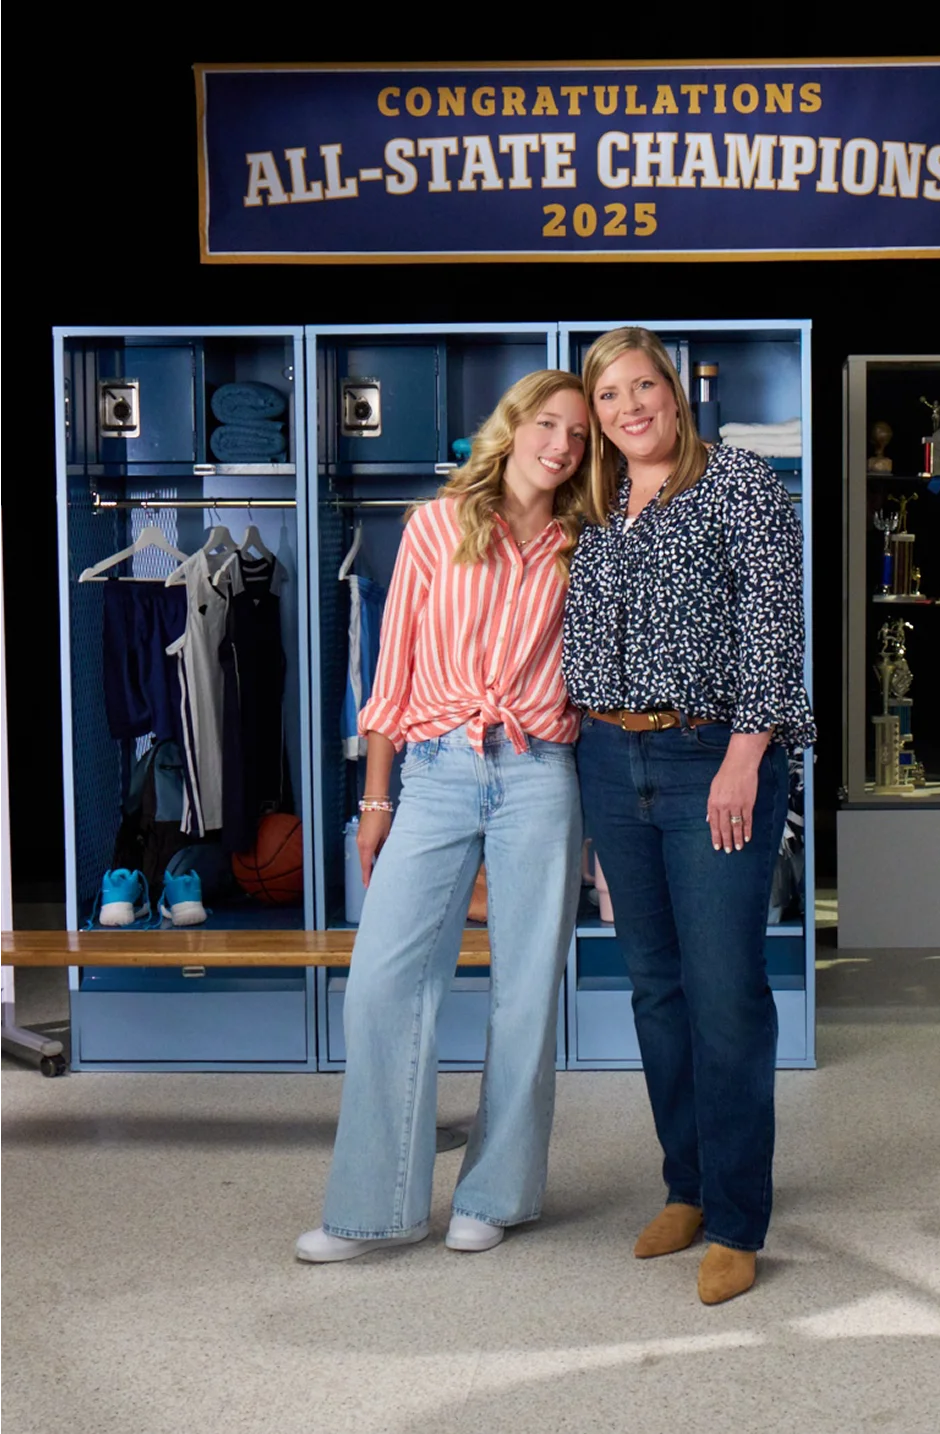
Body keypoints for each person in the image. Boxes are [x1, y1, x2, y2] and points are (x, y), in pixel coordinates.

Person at [297, 370, 589, 1263]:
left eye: (580, 435)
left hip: (540, 772)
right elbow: (392, 676)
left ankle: (495, 1194)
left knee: (526, 993)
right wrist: (375, 798)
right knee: (385, 981)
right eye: (549, 424)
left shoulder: (589, 541)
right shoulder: (436, 524)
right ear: (514, 425)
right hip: (430, 771)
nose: (563, 445)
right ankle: (373, 1209)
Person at [563, 327, 816, 1305]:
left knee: (724, 992)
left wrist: (745, 755)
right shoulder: (596, 506)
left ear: (670, 393)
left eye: (642, 386)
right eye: (610, 394)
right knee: (655, 989)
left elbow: (770, 627)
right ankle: (686, 1184)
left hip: (711, 753)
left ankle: (737, 1218)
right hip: (607, 759)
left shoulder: (738, 484)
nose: (630, 406)